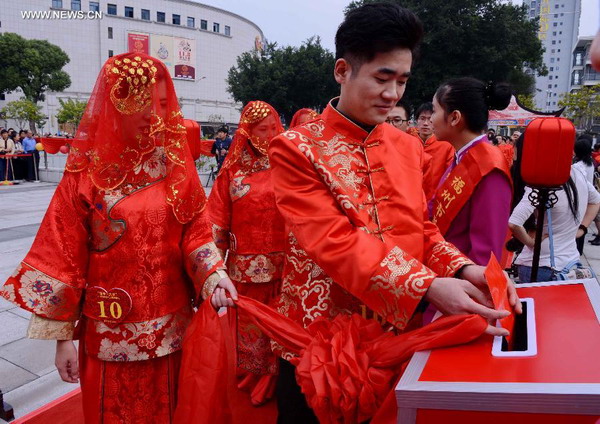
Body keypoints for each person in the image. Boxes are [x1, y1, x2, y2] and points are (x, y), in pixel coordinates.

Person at [267, 4, 519, 422]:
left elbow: (421, 228)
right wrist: (426, 287)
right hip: (317, 344)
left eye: (402, 80)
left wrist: (461, 270)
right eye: (382, 78)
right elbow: (333, 242)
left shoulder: (406, 147)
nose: (393, 94)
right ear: (342, 70)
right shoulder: (296, 148)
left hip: (395, 337)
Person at [0, 52, 238, 424]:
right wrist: (64, 338)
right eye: (139, 102)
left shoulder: (175, 167)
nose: (151, 114)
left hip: (171, 330)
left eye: (159, 103)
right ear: (113, 102)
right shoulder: (85, 173)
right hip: (108, 331)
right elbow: (63, 256)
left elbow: (195, 235)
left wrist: (214, 276)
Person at [208, 100, 285, 406]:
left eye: (272, 129)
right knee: (252, 329)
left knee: (282, 327)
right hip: (246, 269)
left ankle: (282, 378)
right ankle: (256, 378)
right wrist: (215, 268)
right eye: (260, 130)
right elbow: (215, 223)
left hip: (287, 267)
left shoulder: (289, 167)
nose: (268, 136)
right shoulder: (232, 173)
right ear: (247, 132)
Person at [430, 78, 513, 266]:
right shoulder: (463, 155)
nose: (430, 119)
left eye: (434, 111)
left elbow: (486, 254)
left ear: (454, 118)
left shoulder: (490, 168)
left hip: (464, 284)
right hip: (446, 270)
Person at [509, 163, 600, 282]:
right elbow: (596, 200)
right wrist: (582, 228)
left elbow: (514, 223)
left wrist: (531, 243)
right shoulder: (578, 174)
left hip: (541, 265)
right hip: (570, 262)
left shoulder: (542, 182)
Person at [415, 101, 455, 200]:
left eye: (429, 119)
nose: (425, 123)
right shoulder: (409, 142)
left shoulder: (446, 145)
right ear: (416, 120)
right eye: (422, 118)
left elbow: (450, 176)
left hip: (434, 199)